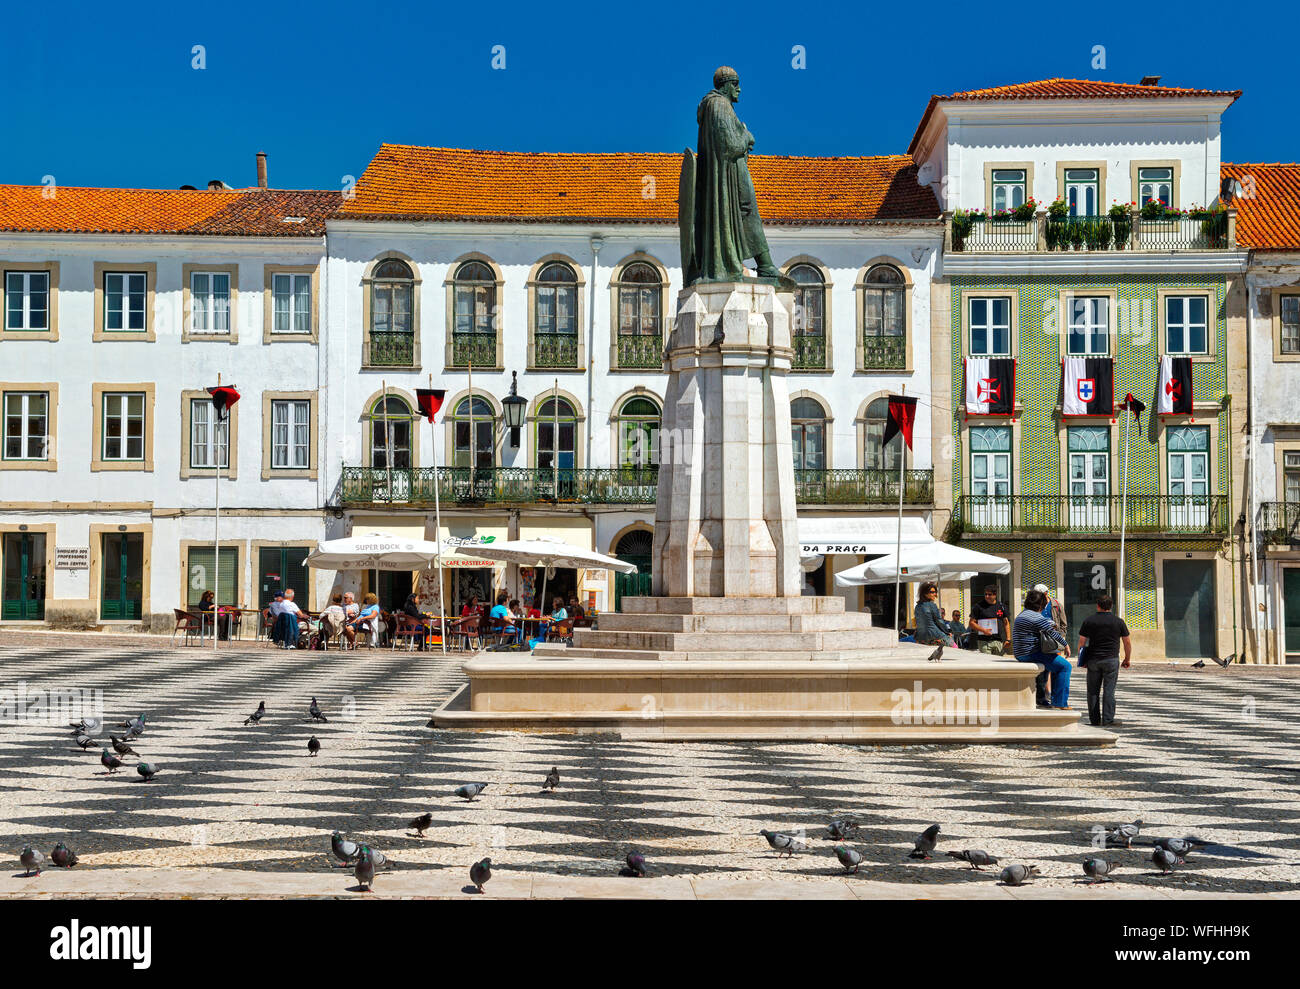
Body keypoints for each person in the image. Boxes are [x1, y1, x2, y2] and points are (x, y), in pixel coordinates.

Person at [1077, 595, 1131, 727]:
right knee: (1109, 690)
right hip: (1111, 659)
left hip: (1093, 660)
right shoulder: (1118, 622)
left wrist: (1081, 660)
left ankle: (1094, 720)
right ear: (1111, 606)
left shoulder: (1089, 621)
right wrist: (1127, 658)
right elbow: (1127, 642)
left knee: (1092, 691)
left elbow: (1081, 643)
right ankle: (1108, 720)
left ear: (1098, 605)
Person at [1012, 589, 1071, 709]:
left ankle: (1053, 699)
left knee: (1056, 666)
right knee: (1065, 666)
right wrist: (1066, 645)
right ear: (1040, 605)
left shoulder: (1022, 614)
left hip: (1020, 653)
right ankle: (1060, 703)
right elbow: (1053, 633)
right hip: (1031, 653)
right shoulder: (1036, 617)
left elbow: (1044, 624)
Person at [969, 585, 1011, 655]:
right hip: (984, 641)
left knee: (998, 663)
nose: (987, 596)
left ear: (995, 595)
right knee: (987, 664)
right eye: (985, 594)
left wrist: (1008, 639)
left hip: (998, 641)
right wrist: (983, 630)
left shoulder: (1001, 606)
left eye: (989, 594)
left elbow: (1006, 623)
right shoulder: (978, 606)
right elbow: (971, 623)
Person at [912, 582, 954, 647]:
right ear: (925, 593)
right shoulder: (931, 605)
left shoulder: (917, 607)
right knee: (951, 642)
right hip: (933, 634)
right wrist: (947, 632)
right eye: (932, 592)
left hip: (920, 636)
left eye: (935, 592)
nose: (935, 594)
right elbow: (939, 621)